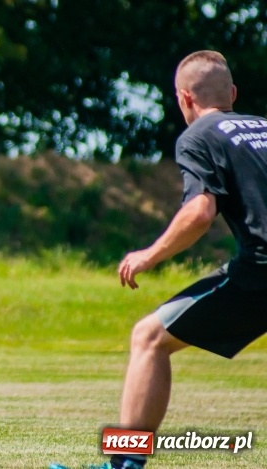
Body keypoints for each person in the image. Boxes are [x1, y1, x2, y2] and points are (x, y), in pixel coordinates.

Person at [52, 50, 267, 469]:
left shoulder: (200, 134)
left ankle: (124, 465)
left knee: (149, 338)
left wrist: (149, 254)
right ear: (233, 93)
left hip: (261, 271)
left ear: (185, 98)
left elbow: (199, 212)